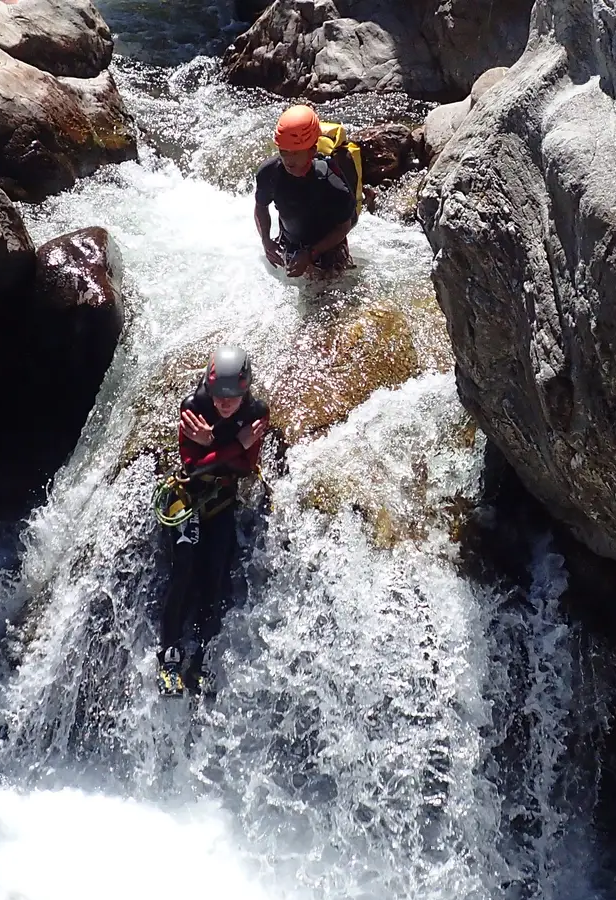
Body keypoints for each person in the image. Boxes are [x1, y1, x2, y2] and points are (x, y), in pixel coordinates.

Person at [156, 346, 271, 695]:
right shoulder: (194, 406)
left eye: (232, 396)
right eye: (218, 394)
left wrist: (212, 444)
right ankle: (169, 657)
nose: (223, 403)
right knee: (183, 567)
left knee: (217, 575)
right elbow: (192, 465)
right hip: (187, 498)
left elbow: (246, 467)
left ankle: (201, 659)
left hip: (221, 500)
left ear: (245, 390)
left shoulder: (255, 412)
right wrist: (235, 443)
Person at [254, 104, 359, 279]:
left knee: (330, 289)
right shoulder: (269, 173)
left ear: (312, 150)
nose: (288, 160)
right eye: (283, 151)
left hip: (328, 247)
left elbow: (344, 226)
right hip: (290, 240)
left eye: (295, 153)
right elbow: (260, 206)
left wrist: (311, 254)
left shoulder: (331, 182)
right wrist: (266, 240)